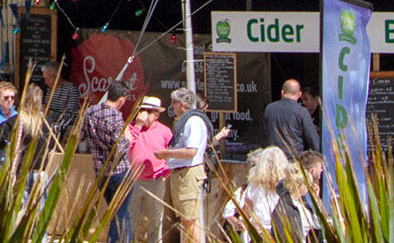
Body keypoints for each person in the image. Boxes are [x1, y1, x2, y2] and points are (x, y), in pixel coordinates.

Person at [156, 88, 230, 243]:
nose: (172, 106)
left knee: (189, 220)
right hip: (180, 174)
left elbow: (191, 151)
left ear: (182, 104)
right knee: (186, 219)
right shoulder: (185, 121)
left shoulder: (193, 122)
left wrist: (166, 153)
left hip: (188, 174)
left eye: (174, 103)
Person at [83, 81, 133, 243]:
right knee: (121, 213)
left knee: (116, 211)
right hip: (119, 171)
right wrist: (128, 138)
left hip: (100, 172)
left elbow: (81, 136)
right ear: (122, 99)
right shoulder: (115, 117)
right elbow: (119, 149)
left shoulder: (91, 112)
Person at [221, 146, 302, 237]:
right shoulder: (287, 186)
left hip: (258, 233)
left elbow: (247, 211)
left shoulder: (254, 185)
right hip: (281, 233)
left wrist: (240, 223)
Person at [124, 96, 172, 243]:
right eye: (142, 110)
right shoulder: (131, 128)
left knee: (155, 219)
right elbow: (126, 145)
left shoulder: (164, 131)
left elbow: (172, 152)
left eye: (149, 111)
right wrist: (137, 126)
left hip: (155, 180)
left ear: (157, 114)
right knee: (131, 217)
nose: (145, 114)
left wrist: (166, 171)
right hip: (134, 180)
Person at [0, 85, 54, 188]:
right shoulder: (47, 121)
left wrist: (9, 149)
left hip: (21, 172)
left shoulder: (17, 120)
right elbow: (51, 144)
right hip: (40, 171)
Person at [263, 78, 322, 160]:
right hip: (294, 162)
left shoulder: (269, 109)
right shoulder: (302, 112)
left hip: (273, 161)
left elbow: (264, 134)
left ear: (282, 92)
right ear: (299, 94)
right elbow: (314, 141)